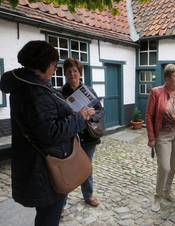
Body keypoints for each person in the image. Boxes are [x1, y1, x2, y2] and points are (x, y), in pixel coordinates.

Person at [0, 41, 93, 226]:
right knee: (48, 219)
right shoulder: (34, 91)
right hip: (45, 168)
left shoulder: (33, 85)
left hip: (41, 165)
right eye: (54, 64)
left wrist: (70, 113)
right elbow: (50, 132)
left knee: (47, 216)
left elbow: (46, 121)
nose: (56, 69)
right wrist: (80, 117)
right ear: (43, 63)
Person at [58, 58, 105, 213]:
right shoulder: (60, 94)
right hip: (69, 138)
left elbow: (100, 110)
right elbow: (57, 117)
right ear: (64, 74)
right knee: (67, 169)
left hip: (88, 136)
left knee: (86, 167)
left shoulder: (88, 91)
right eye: (69, 71)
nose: (72, 74)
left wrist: (89, 116)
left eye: (75, 71)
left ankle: (88, 194)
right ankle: (61, 204)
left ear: (80, 73)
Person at [146, 63, 175, 212]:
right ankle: (157, 196)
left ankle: (167, 191)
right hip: (163, 134)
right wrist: (151, 137)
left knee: (172, 165)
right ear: (167, 78)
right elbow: (149, 115)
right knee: (164, 167)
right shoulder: (156, 92)